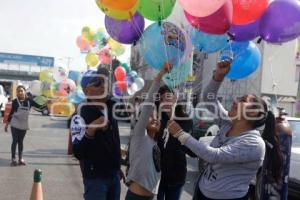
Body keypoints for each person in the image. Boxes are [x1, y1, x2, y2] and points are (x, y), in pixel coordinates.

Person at [166, 60, 283, 200]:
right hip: (202, 191)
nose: (235, 100)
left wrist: (180, 134)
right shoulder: (228, 123)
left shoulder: (253, 143)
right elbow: (209, 100)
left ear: (253, 113)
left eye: (243, 100)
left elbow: (213, 155)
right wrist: (218, 77)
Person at [70, 68, 123, 200]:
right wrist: (91, 130)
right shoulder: (79, 116)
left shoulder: (111, 108)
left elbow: (113, 141)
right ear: (86, 90)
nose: (103, 86)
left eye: (105, 82)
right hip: (95, 180)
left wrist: (117, 166)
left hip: (114, 175)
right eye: (98, 83)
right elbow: (78, 152)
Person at [125, 63, 172, 200]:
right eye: (150, 116)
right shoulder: (139, 136)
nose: (154, 118)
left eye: (156, 116)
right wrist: (160, 75)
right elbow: (147, 106)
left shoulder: (156, 143)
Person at [156, 86, 196, 200]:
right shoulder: (158, 121)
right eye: (162, 99)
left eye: (168, 97)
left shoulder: (185, 120)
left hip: (176, 175)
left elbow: (187, 147)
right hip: (159, 175)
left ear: (175, 98)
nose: (165, 102)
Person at [4, 85, 39, 166]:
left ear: (24, 91)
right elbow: (11, 113)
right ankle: (13, 159)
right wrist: (7, 124)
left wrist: (47, 103)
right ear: (17, 93)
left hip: (23, 124)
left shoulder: (29, 101)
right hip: (15, 123)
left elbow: (39, 106)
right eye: (18, 91)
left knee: (20, 142)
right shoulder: (15, 101)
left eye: (21, 90)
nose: (20, 92)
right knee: (15, 140)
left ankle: (20, 158)